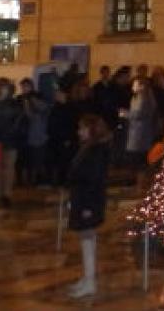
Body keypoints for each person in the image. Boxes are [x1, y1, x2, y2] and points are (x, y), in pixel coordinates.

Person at [66, 113, 111, 298]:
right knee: (86, 240)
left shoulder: (96, 151)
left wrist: (87, 206)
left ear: (91, 130)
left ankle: (90, 281)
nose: (79, 131)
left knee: (87, 241)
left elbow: (93, 180)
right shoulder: (90, 148)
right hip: (83, 199)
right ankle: (87, 277)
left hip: (88, 201)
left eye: (82, 128)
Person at [125, 76, 159, 189]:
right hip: (138, 132)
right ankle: (140, 184)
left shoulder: (143, 98)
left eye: (135, 84)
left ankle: (141, 185)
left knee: (140, 161)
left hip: (140, 133)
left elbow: (139, 114)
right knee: (139, 160)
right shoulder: (139, 97)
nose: (132, 87)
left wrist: (125, 114)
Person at [0, 80, 26, 206]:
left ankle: (6, 194)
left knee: (8, 168)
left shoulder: (15, 104)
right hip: (0, 140)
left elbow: (19, 122)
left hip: (10, 140)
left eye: (3, 87)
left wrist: (12, 133)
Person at [18, 78, 49, 186]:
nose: (24, 89)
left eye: (26, 86)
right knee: (26, 158)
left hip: (36, 134)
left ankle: (36, 179)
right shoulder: (20, 98)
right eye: (22, 87)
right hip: (24, 133)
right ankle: (27, 179)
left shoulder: (36, 97)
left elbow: (37, 113)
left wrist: (29, 104)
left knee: (36, 158)